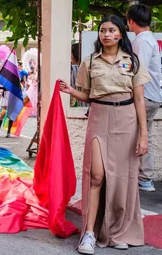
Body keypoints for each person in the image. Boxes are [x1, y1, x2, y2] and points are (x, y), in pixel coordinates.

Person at [59, 15, 150, 254]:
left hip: (127, 119)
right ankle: (89, 233)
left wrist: (143, 134)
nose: (106, 34)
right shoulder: (90, 62)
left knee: (122, 178)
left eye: (111, 30)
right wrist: (70, 91)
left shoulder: (132, 61)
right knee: (96, 175)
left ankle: (118, 232)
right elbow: (88, 95)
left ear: (121, 33)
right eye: (102, 31)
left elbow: (139, 98)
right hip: (99, 117)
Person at [127, 4, 162, 193]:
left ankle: (143, 177)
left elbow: (138, 70)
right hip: (151, 96)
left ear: (131, 21)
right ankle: (144, 177)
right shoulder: (149, 39)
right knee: (143, 133)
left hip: (144, 96)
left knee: (139, 135)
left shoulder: (142, 41)